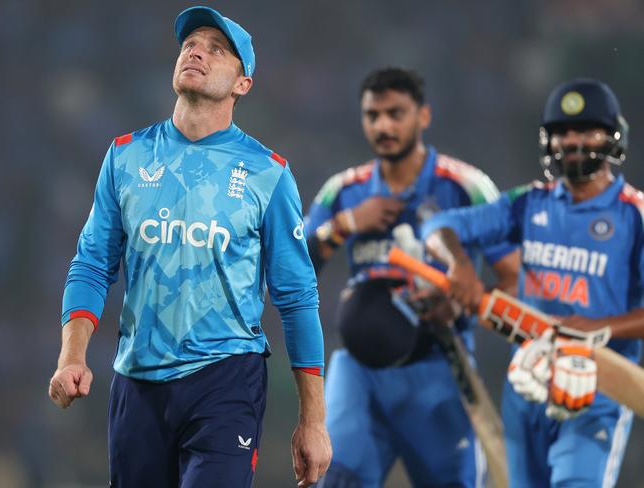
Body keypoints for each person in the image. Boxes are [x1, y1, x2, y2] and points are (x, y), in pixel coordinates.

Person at [47, 6, 331, 488]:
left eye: (216, 49)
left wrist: (314, 421)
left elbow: (297, 297)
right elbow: (92, 264)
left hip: (226, 380)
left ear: (243, 84)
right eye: (190, 44)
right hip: (136, 380)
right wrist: (71, 356)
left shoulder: (269, 174)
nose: (196, 51)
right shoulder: (125, 155)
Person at [422, 78, 644, 487]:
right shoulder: (528, 203)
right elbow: (437, 226)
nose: (572, 140)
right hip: (527, 381)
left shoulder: (635, 215)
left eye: (587, 130)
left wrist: (599, 328)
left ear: (613, 137)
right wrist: (460, 265)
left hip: (595, 388)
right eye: (562, 131)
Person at [305, 67, 519, 488]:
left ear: (423, 116)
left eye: (395, 113)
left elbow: (514, 280)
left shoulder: (465, 187)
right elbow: (294, 269)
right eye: (373, 115)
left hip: (438, 367)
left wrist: (464, 304)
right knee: (333, 480)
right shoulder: (343, 191)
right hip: (359, 373)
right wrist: (345, 224)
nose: (383, 125)